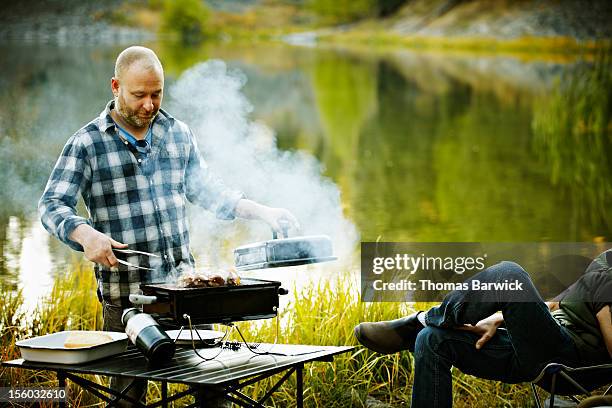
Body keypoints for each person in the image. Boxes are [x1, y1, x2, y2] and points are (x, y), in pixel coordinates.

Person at [38, 46, 298, 407]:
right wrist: (85, 235)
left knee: (213, 393)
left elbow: (208, 192)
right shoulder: (87, 143)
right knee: (128, 401)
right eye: (139, 95)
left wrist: (262, 211)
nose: (149, 105)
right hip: (126, 302)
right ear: (115, 87)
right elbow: (51, 205)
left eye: (156, 94)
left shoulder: (178, 134)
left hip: (183, 294)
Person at [354, 250, 612, 408]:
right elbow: (555, 304)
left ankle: (420, 320)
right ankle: (423, 326)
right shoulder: (604, 262)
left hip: (568, 361)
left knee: (509, 275)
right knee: (432, 339)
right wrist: (500, 317)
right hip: (540, 342)